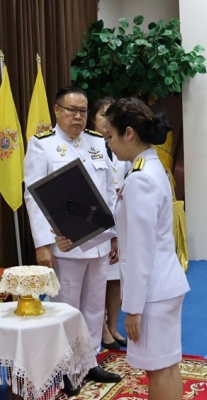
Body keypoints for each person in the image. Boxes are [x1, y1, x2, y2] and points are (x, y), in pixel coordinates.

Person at [104, 97, 190, 400]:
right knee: (167, 367)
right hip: (164, 283)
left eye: (110, 135)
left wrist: (132, 308)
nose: (108, 143)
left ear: (128, 133)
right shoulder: (150, 166)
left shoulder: (140, 178)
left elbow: (140, 252)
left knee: (160, 370)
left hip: (153, 289)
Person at [23, 86, 121, 395]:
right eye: (71, 110)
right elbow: (34, 197)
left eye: (82, 111)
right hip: (65, 244)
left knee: (94, 306)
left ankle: (89, 361)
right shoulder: (42, 145)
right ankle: (65, 367)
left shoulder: (96, 142)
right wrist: (42, 244)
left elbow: (109, 192)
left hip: (99, 241)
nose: (77, 117)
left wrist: (114, 235)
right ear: (57, 110)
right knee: (66, 307)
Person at [89, 97, 128, 351]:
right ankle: (101, 329)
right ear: (93, 118)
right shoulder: (88, 145)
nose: (106, 120)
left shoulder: (122, 145)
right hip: (97, 221)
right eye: (103, 114)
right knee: (98, 279)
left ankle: (113, 326)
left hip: (120, 219)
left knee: (115, 278)